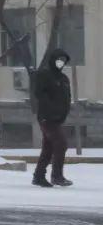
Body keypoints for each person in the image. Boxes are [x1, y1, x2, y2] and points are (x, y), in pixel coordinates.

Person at [33, 48, 73, 188]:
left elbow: (67, 98)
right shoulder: (44, 75)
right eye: (58, 60)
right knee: (61, 144)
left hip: (58, 119)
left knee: (48, 148)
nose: (60, 63)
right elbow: (40, 94)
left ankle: (38, 176)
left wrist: (63, 113)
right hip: (47, 118)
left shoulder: (64, 79)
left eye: (63, 61)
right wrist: (51, 111)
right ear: (52, 60)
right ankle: (57, 176)